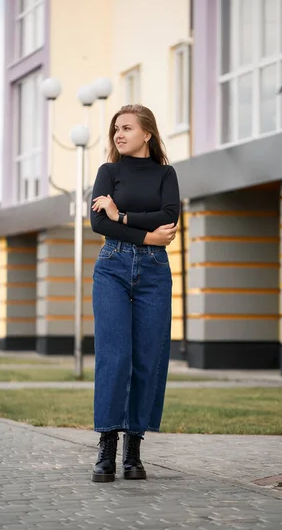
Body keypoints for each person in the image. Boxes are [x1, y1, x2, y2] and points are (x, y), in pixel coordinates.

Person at [89, 104, 180, 483]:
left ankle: (134, 450)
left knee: (148, 359)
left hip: (155, 272)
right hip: (112, 266)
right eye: (115, 130)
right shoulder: (108, 173)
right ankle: (107, 447)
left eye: (126, 128)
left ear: (148, 134)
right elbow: (97, 222)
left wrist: (121, 217)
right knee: (115, 355)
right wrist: (145, 234)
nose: (119, 135)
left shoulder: (166, 174)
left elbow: (170, 217)